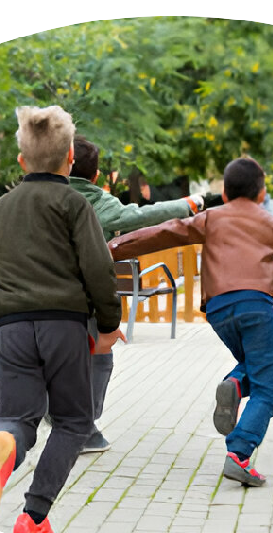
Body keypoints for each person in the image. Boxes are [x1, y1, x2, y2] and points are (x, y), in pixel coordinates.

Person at [0, 105, 125, 533]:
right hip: (64, 326)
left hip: (12, 328)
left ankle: (3, 452)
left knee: (17, 419)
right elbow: (98, 270)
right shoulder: (75, 204)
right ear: (70, 158)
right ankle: (34, 517)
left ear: (21, 161)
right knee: (74, 423)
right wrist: (108, 325)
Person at [108, 157, 273, 486]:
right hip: (255, 305)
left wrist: (111, 248)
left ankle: (236, 383)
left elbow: (163, 233)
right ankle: (239, 452)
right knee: (266, 389)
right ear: (262, 193)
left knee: (251, 365)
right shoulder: (271, 224)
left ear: (223, 193)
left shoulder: (211, 218)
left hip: (220, 309)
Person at [69, 135, 204, 453]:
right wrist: (188, 205)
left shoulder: (37, 195)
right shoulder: (97, 202)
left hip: (31, 296)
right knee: (100, 356)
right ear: (96, 175)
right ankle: (84, 428)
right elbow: (142, 217)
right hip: (81, 299)